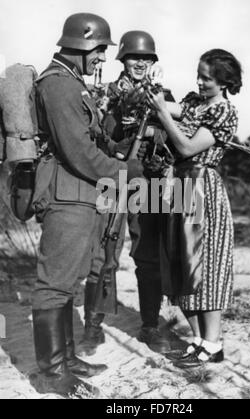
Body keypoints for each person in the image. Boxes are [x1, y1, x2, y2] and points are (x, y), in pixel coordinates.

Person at [31, 13, 144, 398]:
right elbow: (79, 153)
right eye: (99, 50)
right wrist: (124, 171)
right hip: (66, 194)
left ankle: (66, 359)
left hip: (80, 194)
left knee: (66, 283)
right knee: (54, 284)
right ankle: (50, 373)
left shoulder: (72, 82)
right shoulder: (60, 85)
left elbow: (90, 143)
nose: (101, 59)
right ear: (81, 43)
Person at [81, 31, 175, 355]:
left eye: (147, 58)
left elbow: (173, 137)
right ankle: (92, 324)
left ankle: (150, 324)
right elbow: (94, 136)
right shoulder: (106, 94)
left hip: (147, 182)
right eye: (135, 57)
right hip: (112, 178)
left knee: (148, 256)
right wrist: (114, 143)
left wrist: (157, 144)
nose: (141, 63)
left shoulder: (162, 97)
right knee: (103, 251)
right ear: (122, 59)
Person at [147, 49, 242, 368]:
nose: (200, 82)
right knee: (184, 264)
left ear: (225, 81)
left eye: (207, 78)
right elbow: (168, 106)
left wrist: (162, 115)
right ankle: (200, 339)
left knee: (207, 268)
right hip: (181, 186)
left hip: (202, 186)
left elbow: (187, 147)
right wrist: (150, 92)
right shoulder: (195, 103)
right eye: (199, 75)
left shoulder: (223, 112)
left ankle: (213, 344)